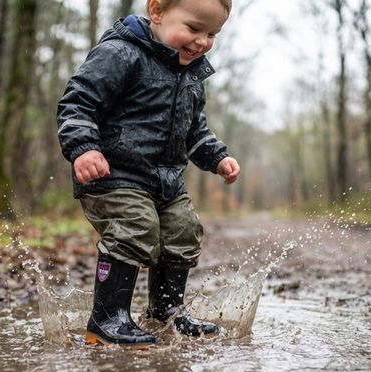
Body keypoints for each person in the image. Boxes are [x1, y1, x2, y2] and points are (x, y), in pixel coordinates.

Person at [57, 0, 240, 347]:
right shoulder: (121, 54)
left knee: (183, 231)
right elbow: (78, 102)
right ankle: (106, 320)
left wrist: (217, 157)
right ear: (156, 12)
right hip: (113, 175)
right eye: (193, 28)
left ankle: (165, 314)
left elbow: (194, 131)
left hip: (166, 180)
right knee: (135, 227)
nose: (202, 41)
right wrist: (84, 147)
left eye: (212, 33)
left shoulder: (191, 74)